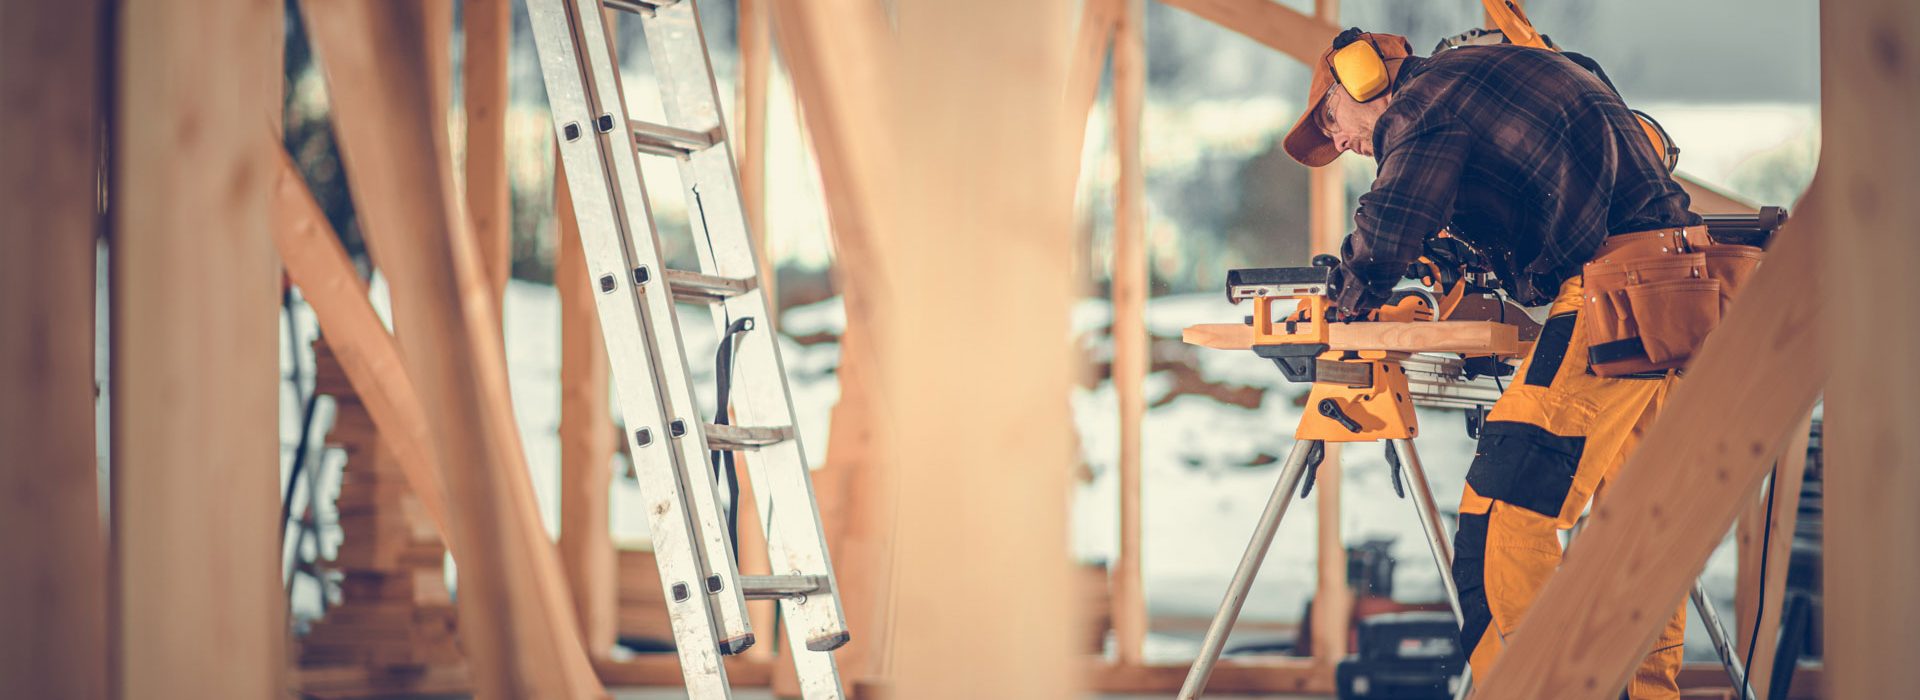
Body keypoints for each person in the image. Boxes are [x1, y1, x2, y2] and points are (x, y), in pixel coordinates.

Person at [1281, 28, 1704, 699]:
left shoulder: (1424, 104)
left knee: (1502, 517)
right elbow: (1470, 216)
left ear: (1365, 77)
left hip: (1618, 295)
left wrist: (1348, 302)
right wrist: (1443, 262)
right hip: (1679, 290)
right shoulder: (1490, 84)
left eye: (1330, 119)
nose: (1338, 143)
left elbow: (1393, 219)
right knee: (1636, 522)